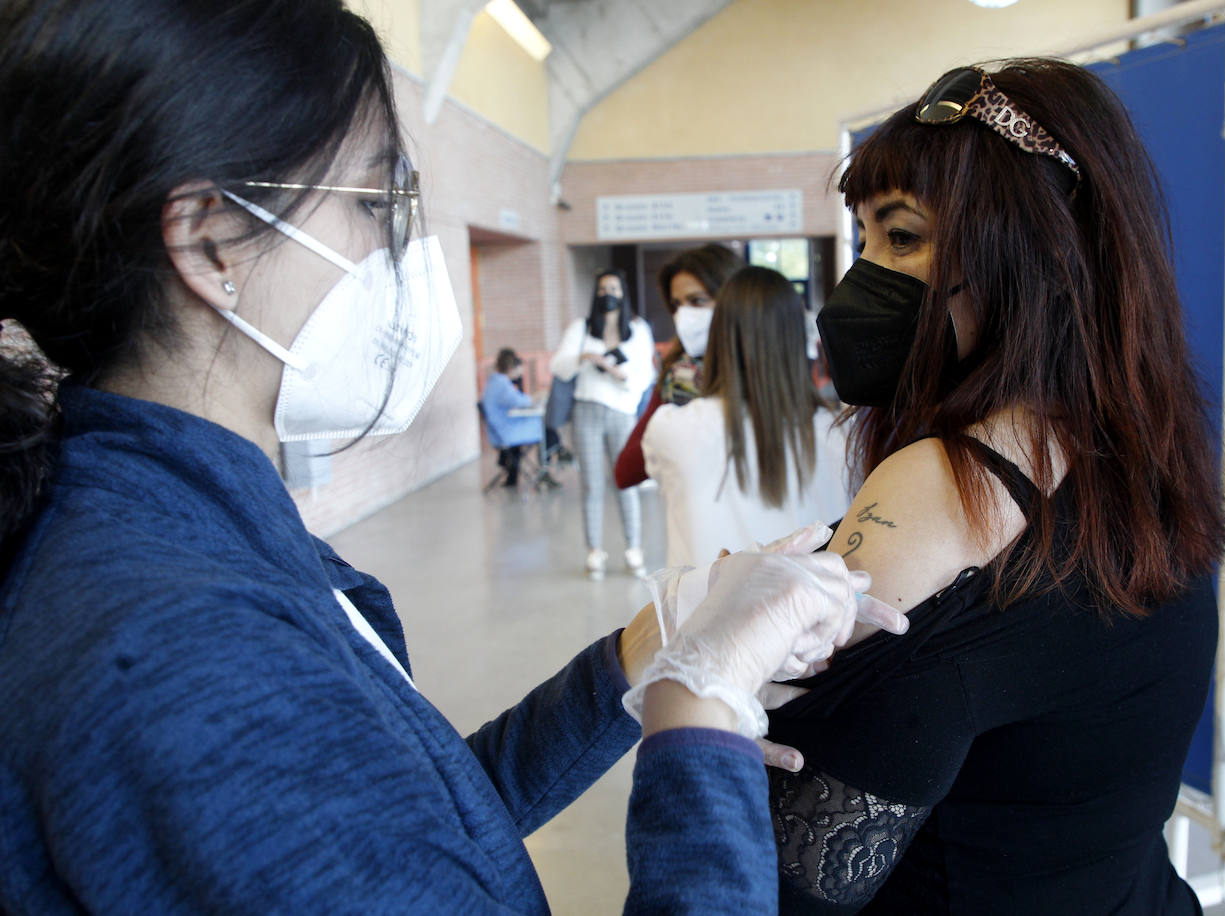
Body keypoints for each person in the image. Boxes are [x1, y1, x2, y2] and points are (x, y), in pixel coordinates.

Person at [0, 2, 910, 912]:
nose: (400, 253)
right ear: (210, 239)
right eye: (374, 204)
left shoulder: (180, 523)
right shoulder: (185, 654)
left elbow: (424, 832)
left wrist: (652, 650)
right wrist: (702, 720)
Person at [763, 60, 1225, 914]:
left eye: (902, 237)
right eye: (863, 236)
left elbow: (794, 876)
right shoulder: (1152, 465)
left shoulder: (944, 485)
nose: (865, 276)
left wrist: (703, 720)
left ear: (1033, 250)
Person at [642, 266, 850, 568]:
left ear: (718, 337)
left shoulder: (670, 428)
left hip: (704, 612)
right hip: (814, 611)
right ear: (796, 338)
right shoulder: (842, 432)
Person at [550, 269, 656, 579]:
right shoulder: (581, 328)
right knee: (592, 484)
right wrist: (585, 357)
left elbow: (646, 374)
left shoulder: (638, 329)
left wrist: (621, 375)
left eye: (614, 287)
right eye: (602, 288)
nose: (608, 293)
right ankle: (594, 551)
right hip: (587, 411)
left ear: (623, 293)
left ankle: (634, 548)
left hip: (622, 411)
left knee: (625, 481)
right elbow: (559, 367)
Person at [614, 242, 744, 489]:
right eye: (677, 305)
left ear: (734, 299)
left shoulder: (769, 367)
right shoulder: (678, 376)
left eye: (697, 301)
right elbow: (626, 471)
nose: (684, 315)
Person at [480, 347, 542, 487]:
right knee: (543, 425)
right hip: (505, 431)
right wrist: (532, 399)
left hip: (500, 428)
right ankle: (543, 472)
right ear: (512, 367)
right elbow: (518, 401)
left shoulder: (495, 381)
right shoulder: (502, 384)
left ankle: (511, 473)